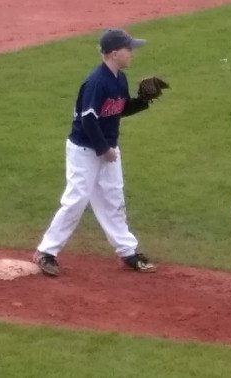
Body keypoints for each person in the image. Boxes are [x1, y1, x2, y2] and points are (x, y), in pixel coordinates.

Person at [34, 28, 167, 276]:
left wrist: (143, 101)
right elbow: (88, 119)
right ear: (115, 54)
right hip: (85, 150)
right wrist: (103, 148)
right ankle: (46, 252)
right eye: (129, 50)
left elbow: (119, 109)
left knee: (113, 200)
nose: (132, 54)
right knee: (76, 200)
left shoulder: (119, 79)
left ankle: (128, 252)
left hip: (106, 149)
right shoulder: (97, 82)